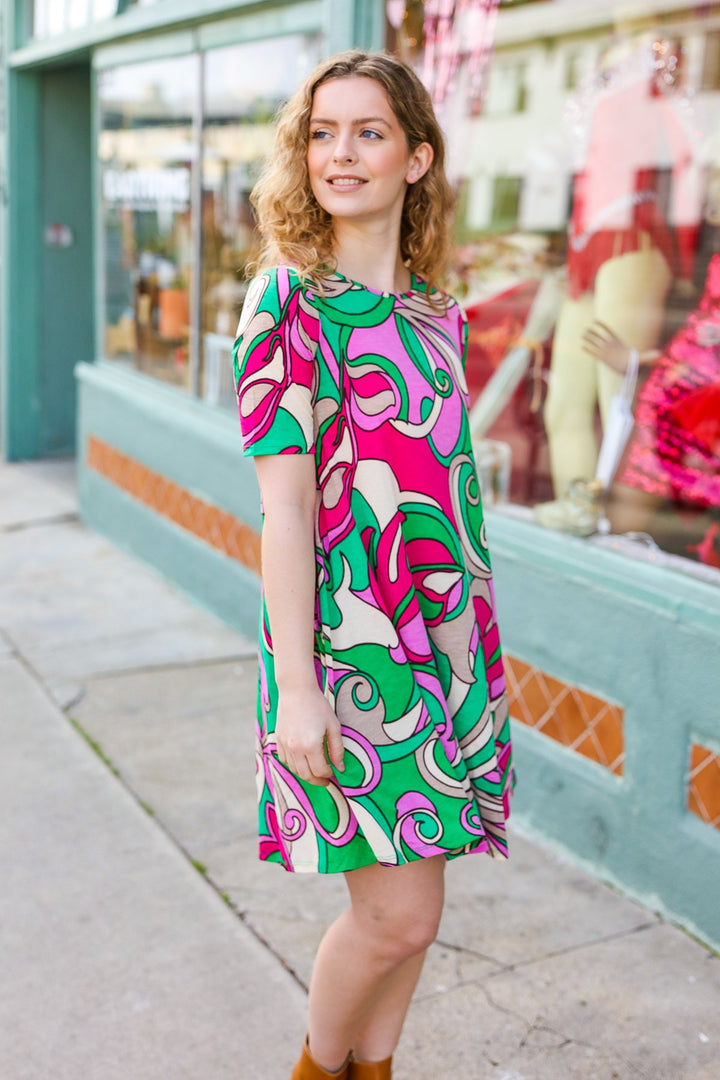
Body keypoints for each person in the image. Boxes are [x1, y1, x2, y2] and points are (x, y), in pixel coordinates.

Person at [233, 50, 513, 1080]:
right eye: (321, 133)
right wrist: (298, 687)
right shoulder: (286, 304)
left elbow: (448, 505)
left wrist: (470, 658)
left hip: (444, 647)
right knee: (394, 916)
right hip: (351, 653)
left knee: (419, 922)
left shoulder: (440, 319)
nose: (339, 154)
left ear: (418, 158)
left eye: (368, 132)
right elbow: (287, 510)